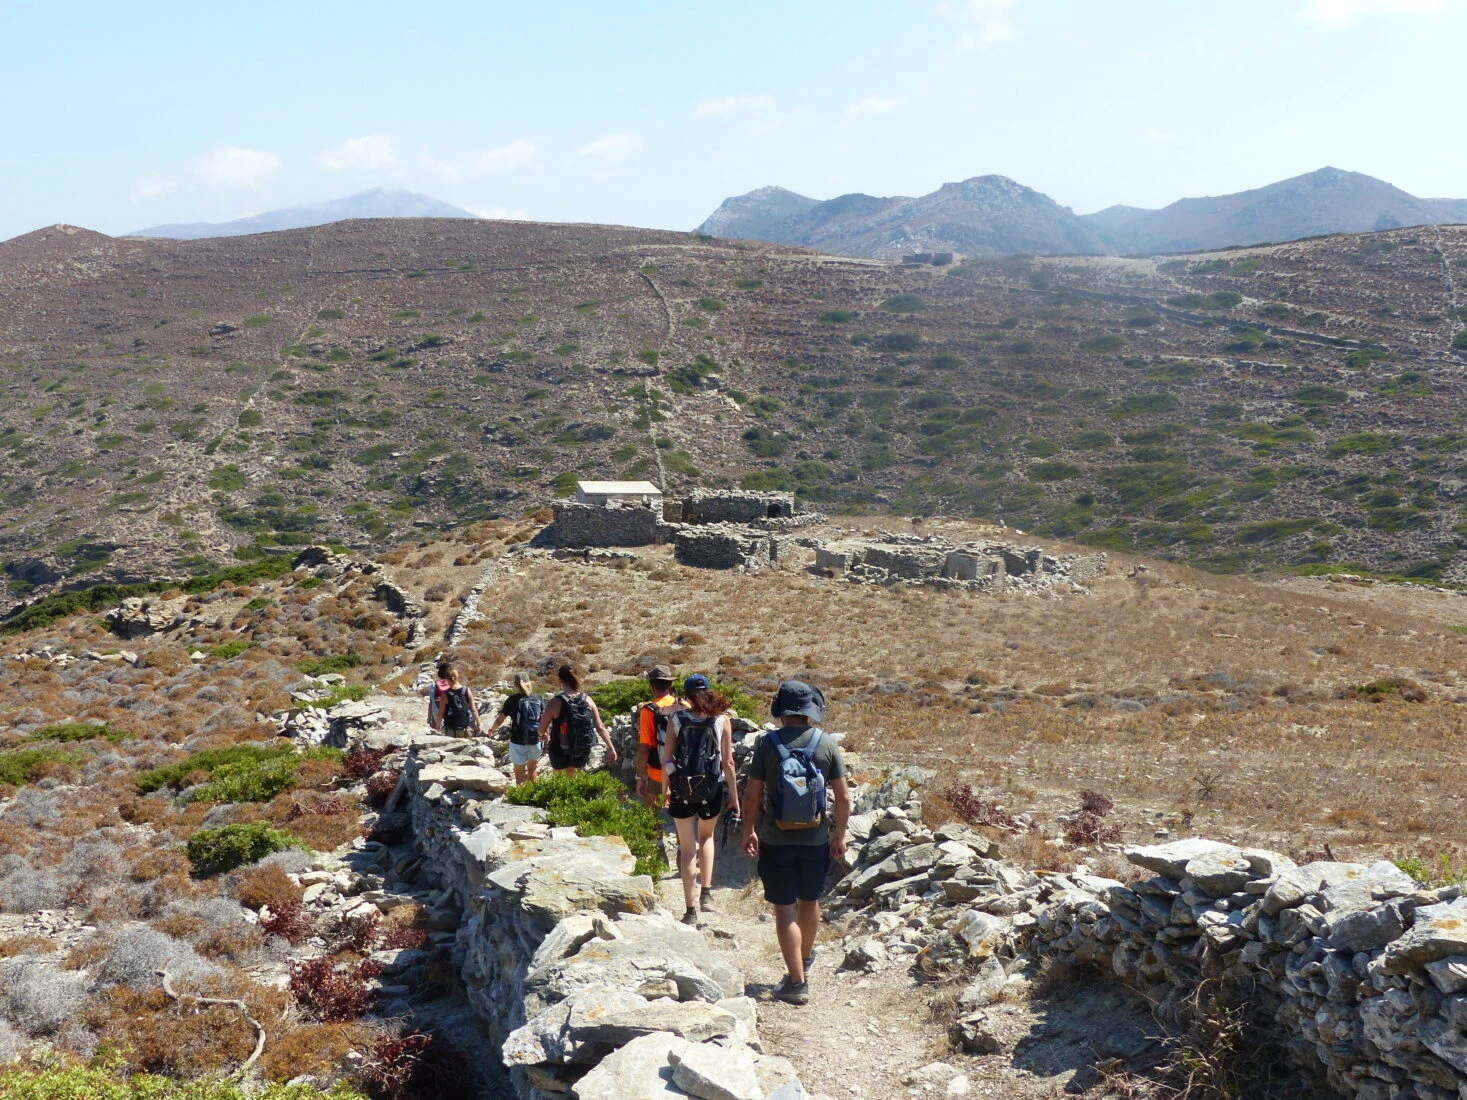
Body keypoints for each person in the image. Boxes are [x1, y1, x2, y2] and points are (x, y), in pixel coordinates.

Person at [740, 681, 850, 1006]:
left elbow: (751, 794)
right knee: (810, 901)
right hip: (816, 841)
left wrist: (748, 830)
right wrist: (839, 836)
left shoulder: (766, 744)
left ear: (782, 710)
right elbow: (843, 797)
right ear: (811, 710)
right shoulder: (826, 743)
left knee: (785, 910)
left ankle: (797, 983)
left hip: (776, 841)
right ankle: (802, 960)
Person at [663, 673, 739, 925]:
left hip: (680, 789)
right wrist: (734, 798)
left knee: (687, 849)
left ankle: (690, 910)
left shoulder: (676, 718)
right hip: (712, 788)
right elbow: (728, 762)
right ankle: (706, 892)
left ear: (685, 695)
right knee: (706, 837)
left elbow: (668, 761)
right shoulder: (722, 720)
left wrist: (665, 789)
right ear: (708, 691)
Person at [538, 664, 618, 775]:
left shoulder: (555, 702)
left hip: (559, 750)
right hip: (581, 750)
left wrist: (542, 734)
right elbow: (600, 726)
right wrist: (611, 747)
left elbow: (541, 729)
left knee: (560, 783)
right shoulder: (587, 699)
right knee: (576, 781)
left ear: (560, 680)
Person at [634, 666, 682, 809]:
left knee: (651, 810)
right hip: (681, 769)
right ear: (670, 684)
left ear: (652, 685)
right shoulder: (683, 705)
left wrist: (640, 777)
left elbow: (644, 748)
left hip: (658, 771)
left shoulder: (649, 710)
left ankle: (654, 832)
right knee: (681, 813)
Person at [486, 674, 544, 785]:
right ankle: (534, 796)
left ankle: (521, 799)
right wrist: (545, 734)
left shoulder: (512, 699)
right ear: (529, 682)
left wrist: (492, 729)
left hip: (518, 741)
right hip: (535, 739)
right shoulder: (538, 698)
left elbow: (500, 719)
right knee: (532, 769)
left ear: (516, 685)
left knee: (519, 774)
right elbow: (542, 720)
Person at [428, 661, 482, 737]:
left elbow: (440, 713)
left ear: (447, 679)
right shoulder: (466, 690)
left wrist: (437, 727)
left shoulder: (445, 694)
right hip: (464, 728)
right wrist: (478, 724)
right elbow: (473, 709)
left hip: (450, 729)